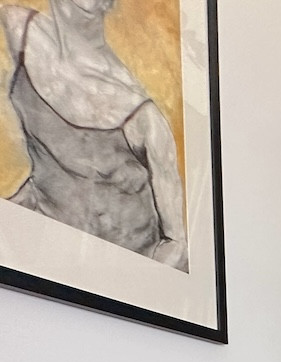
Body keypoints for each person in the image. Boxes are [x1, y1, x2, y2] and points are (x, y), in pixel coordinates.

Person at [1, 0, 188, 270]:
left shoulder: (142, 115)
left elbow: (176, 246)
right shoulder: (18, 30)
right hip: (44, 253)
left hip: (114, 269)